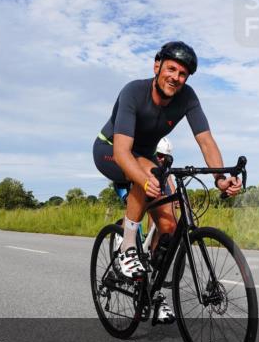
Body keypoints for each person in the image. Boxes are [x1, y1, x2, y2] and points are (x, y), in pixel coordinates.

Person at [93, 41, 242, 324]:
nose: (176, 77)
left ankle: (152, 290)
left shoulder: (187, 97)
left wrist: (220, 179)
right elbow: (123, 153)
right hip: (110, 150)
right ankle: (126, 249)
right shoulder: (134, 92)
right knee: (148, 175)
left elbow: (205, 140)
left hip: (144, 157)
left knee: (169, 225)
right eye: (171, 68)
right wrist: (144, 179)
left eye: (183, 74)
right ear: (157, 66)